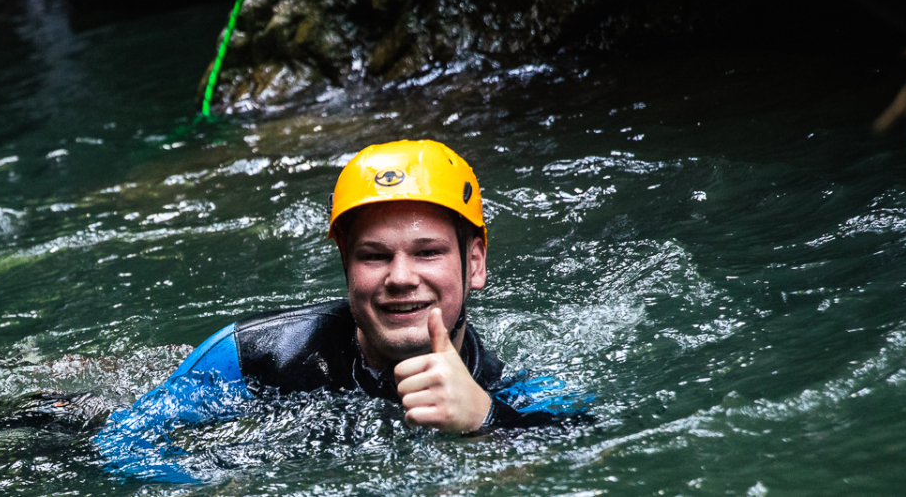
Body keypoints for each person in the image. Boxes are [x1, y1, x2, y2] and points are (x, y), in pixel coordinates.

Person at [90, 140, 591, 483]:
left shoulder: (512, 388)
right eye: (375, 255)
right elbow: (122, 439)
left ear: (474, 262)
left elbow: (585, 448)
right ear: (346, 265)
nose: (399, 277)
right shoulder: (251, 358)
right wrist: (202, 484)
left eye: (427, 252)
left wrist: (485, 418)